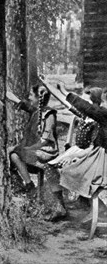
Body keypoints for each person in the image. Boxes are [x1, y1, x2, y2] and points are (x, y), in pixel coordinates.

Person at [6, 84, 67, 221]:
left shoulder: (49, 115)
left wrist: (24, 148)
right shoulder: (37, 111)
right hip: (36, 150)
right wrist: (12, 97)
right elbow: (26, 106)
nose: (28, 97)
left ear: (38, 98)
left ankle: (59, 206)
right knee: (14, 156)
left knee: (16, 152)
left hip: (46, 151)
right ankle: (29, 187)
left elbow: (45, 141)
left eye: (30, 95)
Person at [44, 82, 107, 212]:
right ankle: (60, 204)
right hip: (86, 152)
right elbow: (66, 101)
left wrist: (75, 156)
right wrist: (48, 84)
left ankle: (88, 203)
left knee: (68, 169)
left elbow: (94, 147)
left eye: (85, 102)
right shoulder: (87, 116)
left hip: (91, 155)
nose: (81, 105)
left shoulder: (99, 119)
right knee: (55, 167)